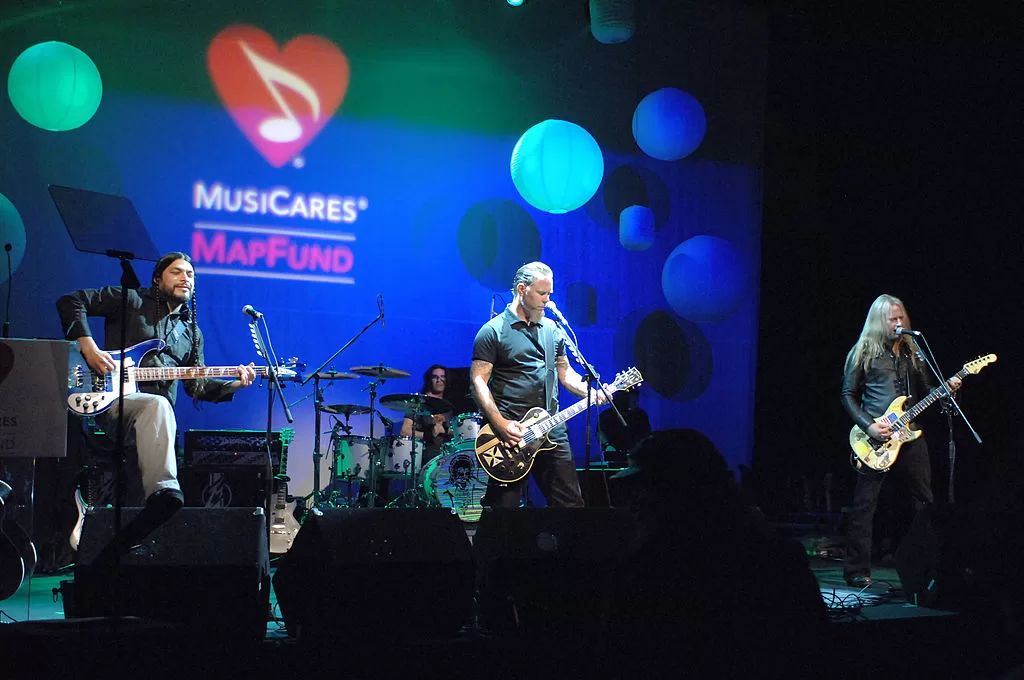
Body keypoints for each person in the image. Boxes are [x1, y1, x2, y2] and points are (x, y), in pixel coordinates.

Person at [57, 252, 256, 553]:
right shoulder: (131, 300)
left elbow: (196, 386)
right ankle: (165, 492)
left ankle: (127, 556)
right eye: (177, 272)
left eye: (190, 274)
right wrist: (88, 346)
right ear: (157, 278)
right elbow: (70, 301)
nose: (185, 278)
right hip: (110, 403)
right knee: (157, 406)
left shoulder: (192, 333)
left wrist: (235, 384)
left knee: (144, 500)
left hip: (157, 423)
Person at [602, 429, 828, 678]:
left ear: (676, 490)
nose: (635, 503)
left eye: (645, 489)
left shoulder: (649, 572)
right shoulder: (781, 558)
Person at [840, 294, 960, 588]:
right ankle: (857, 570)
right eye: (892, 318)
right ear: (879, 320)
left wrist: (947, 391)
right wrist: (869, 426)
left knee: (925, 501)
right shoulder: (863, 351)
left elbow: (928, 388)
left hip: (910, 434)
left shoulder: (913, 351)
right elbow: (847, 395)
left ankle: (929, 565)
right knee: (865, 506)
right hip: (876, 439)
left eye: (901, 317)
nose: (898, 323)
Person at [470, 261, 606, 509]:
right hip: (509, 435)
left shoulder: (553, 329)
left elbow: (566, 374)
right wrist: (499, 424)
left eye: (549, 294)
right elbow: (478, 380)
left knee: (571, 506)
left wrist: (592, 392)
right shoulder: (493, 331)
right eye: (541, 293)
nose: (547, 300)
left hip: (551, 429)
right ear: (522, 290)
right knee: (504, 513)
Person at [399, 364, 454, 467]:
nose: (439, 380)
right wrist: (428, 435)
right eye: (435, 377)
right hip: (424, 455)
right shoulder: (418, 403)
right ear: (429, 380)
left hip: (447, 455)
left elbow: (458, 432)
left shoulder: (448, 407)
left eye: (442, 377)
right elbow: (404, 431)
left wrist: (445, 430)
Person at [597, 387, 651, 466]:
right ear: (624, 401)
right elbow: (600, 432)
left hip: (637, 456)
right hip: (613, 456)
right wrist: (607, 445)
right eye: (634, 402)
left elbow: (646, 434)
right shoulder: (607, 415)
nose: (637, 404)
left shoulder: (641, 415)